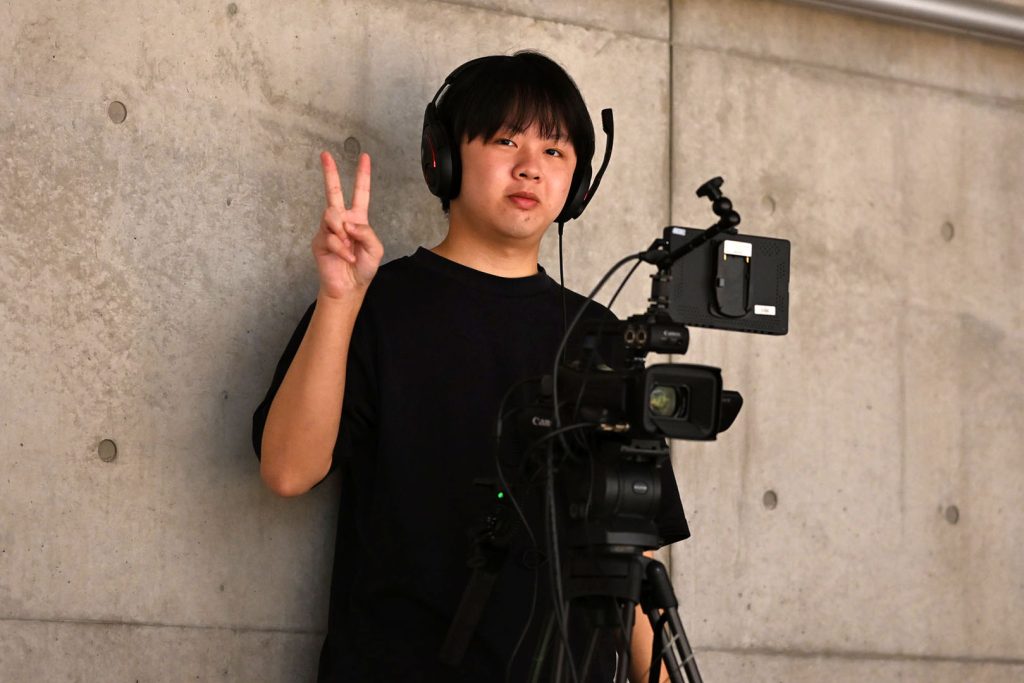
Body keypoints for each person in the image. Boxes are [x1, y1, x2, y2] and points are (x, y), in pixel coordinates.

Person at [252, 51, 690, 682]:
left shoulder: (601, 336)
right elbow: (288, 471)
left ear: (579, 186)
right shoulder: (377, 303)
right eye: (506, 140)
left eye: (555, 151)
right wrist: (338, 302)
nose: (530, 167)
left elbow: (633, 553)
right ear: (444, 158)